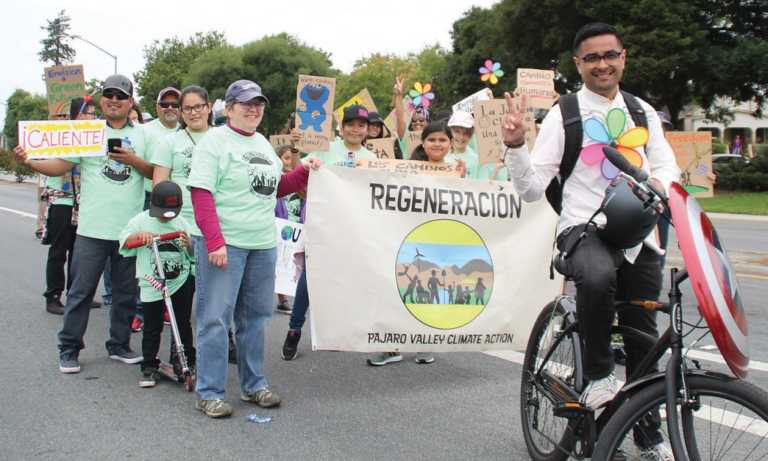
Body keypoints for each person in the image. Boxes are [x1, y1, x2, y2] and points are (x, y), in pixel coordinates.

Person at [502, 23, 678, 459]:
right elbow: (530, 188)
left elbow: (667, 168)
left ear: (623, 58)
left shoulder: (643, 112)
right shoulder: (566, 112)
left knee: (643, 338)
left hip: (640, 236)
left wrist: (655, 184)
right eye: (592, 57)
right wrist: (517, 146)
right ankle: (599, 376)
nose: (603, 64)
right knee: (597, 279)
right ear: (578, 64)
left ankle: (647, 434)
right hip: (585, 229)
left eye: (610, 55)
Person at [188, 79, 319, 418]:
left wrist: (303, 171)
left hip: (262, 244)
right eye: (245, 103)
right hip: (224, 244)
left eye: (258, 103)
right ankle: (210, 392)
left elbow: (274, 188)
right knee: (215, 319)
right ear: (229, 108)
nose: (253, 108)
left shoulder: (262, 143)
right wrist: (214, 241)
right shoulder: (214, 142)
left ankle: (253, 384)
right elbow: (201, 195)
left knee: (255, 319)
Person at [15, 74, 154, 373]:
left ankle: (119, 344)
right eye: (109, 95)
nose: (114, 100)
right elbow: (61, 165)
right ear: (102, 99)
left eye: (121, 96)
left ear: (130, 101)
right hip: (92, 229)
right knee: (80, 292)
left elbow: (155, 172)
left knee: (126, 293)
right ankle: (69, 348)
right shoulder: (88, 132)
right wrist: (30, 162)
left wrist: (133, 161)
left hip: (129, 232)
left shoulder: (145, 135)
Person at [280, 105, 375, 362]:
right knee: (310, 277)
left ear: (367, 130)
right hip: (322, 223)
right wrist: (297, 149)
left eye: (361, 125)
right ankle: (294, 329)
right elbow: (299, 175)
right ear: (341, 127)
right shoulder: (325, 149)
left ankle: (336, 332)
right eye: (351, 124)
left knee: (346, 278)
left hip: (354, 227)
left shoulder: (372, 157)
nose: (356, 129)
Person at [119, 181, 195, 388]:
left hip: (179, 280)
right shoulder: (140, 221)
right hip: (152, 282)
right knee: (152, 325)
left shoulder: (183, 223)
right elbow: (124, 241)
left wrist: (188, 245)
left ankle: (185, 361)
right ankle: (149, 364)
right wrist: (137, 237)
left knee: (182, 323)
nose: (166, 217)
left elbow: (193, 253)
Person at [41, 97, 99, 315]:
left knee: (79, 251)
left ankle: (77, 293)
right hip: (63, 199)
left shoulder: (93, 139)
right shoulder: (62, 135)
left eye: (93, 114)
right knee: (59, 250)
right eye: (87, 113)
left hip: (83, 202)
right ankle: (53, 295)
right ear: (76, 115)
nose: (91, 117)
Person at [274, 144, 304, 315]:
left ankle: (293, 293)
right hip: (280, 225)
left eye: (291, 158)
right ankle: (282, 298)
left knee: (294, 262)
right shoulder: (277, 178)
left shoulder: (299, 180)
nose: (289, 161)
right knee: (281, 261)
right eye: (285, 158)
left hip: (298, 225)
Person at [445, 111, 480, 179]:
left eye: (466, 133)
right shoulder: (440, 154)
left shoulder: (476, 159)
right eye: (457, 131)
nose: (461, 137)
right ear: (450, 131)